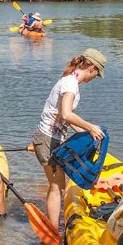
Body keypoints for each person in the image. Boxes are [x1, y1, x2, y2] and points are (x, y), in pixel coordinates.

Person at [30, 48, 106, 235]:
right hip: (48, 139)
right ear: (92, 68)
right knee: (56, 186)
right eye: (97, 74)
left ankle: (54, 227)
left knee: (59, 186)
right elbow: (66, 113)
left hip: (51, 138)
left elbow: (64, 118)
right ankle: (53, 230)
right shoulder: (70, 84)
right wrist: (90, 127)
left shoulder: (69, 80)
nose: (94, 79)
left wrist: (85, 135)